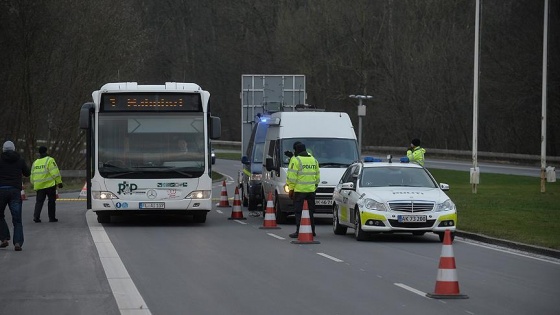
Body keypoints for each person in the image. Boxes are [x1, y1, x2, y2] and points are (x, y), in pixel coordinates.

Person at [0, 140, 31, 251]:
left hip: (1, 190)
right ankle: (17, 242)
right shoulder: (20, 160)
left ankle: (4, 238)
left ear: (3, 149)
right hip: (15, 191)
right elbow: (27, 173)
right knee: (17, 219)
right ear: (14, 149)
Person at [286, 142, 320, 238]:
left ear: (296, 150)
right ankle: (312, 231)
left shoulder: (296, 160)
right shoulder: (314, 160)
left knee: (299, 212)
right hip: (311, 191)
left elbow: (292, 177)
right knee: (310, 212)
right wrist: (314, 187)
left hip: (299, 191)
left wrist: (291, 189)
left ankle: (299, 231)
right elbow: (317, 178)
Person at [31, 146, 63, 223]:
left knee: (39, 202)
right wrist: (59, 182)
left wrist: (34, 184)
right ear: (46, 151)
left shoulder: (35, 162)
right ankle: (52, 218)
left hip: (39, 186)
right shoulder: (50, 160)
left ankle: (36, 217)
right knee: (51, 201)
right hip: (50, 185)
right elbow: (55, 172)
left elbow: (32, 175)